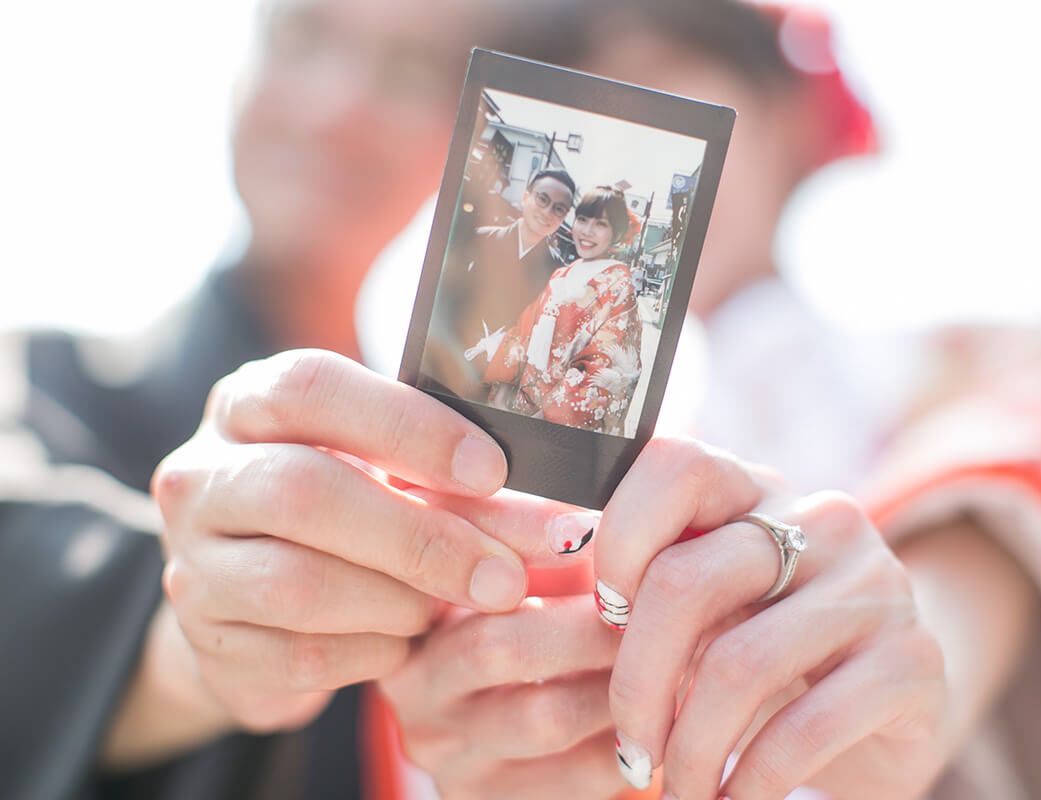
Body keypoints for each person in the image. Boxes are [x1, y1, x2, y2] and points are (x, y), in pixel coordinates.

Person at [353, 1, 1041, 798]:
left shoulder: (984, 367)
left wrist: (929, 624)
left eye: (653, 79)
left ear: (785, 115)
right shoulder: (503, 446)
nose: (616, 144)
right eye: (573, 101)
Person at [0, 1, 592, 798]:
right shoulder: (36, 383)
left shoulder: (515, 477)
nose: (334, 105)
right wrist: (190, 648)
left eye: (413, 74)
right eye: (302, 36)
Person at [483, 186, 642, 434]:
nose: (587, 232)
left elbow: (606, 360)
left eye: (600, 224)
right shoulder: (562, 273)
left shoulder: (618, 282)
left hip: (557, 419)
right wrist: (503, 392)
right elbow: (524, 330)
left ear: (617, 233)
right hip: (521, 405)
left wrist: (545, 415)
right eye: (582, 219)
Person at [422, 168, 576, 401]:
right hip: (447, 369)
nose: (547, 211)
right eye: (542, 199)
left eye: (558, 208)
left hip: (503, 388)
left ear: (564, 218)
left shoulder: (559, 276)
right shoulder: (479, 239)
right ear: (526, 197)